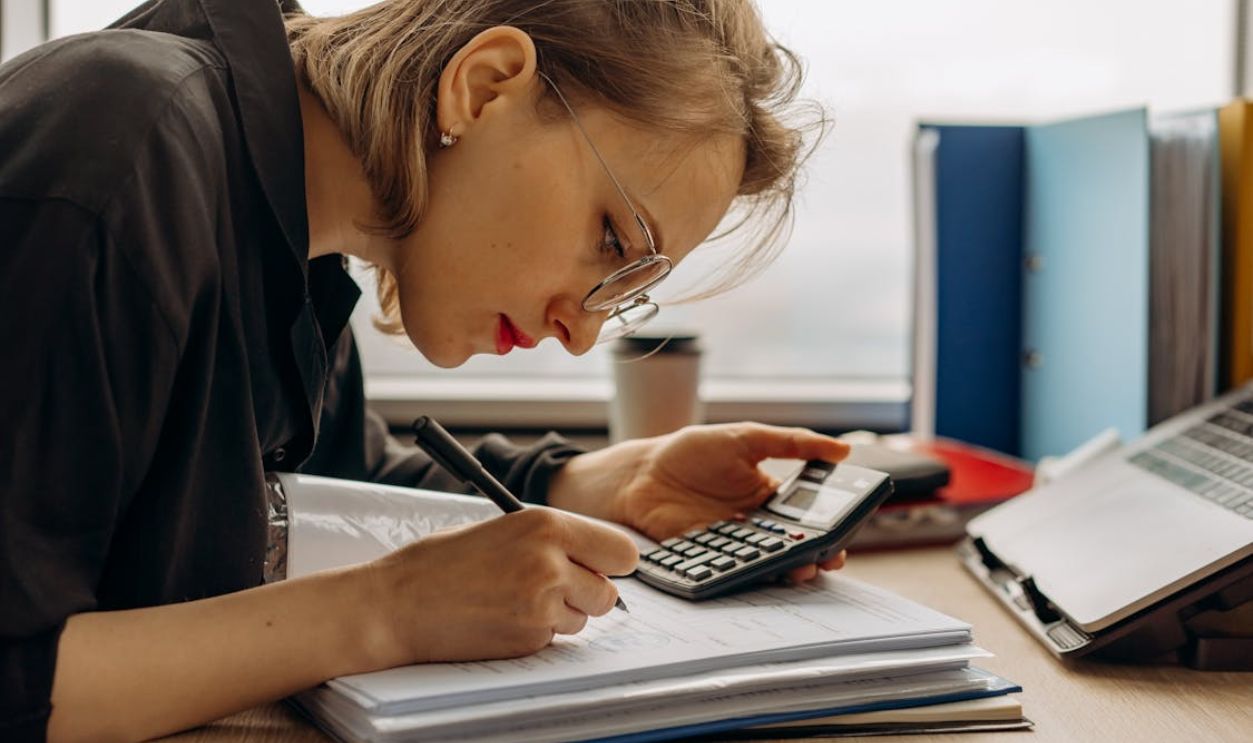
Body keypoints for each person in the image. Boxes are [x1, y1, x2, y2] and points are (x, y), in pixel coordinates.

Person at [0, 0, 852, 740]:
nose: (582, 332)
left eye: (625, 289)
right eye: (612, 243)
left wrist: (584, 482)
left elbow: (319, 486)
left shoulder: (296, 246)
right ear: (484, 86)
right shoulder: (121, 147)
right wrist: (386, 612)